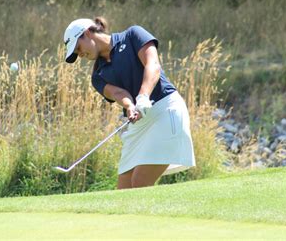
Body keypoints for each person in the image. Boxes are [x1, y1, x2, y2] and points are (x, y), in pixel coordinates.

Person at [63, 17, 195, 189]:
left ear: (87, 33)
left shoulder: (133, 35)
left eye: (78, 48)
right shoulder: (97, 76)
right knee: (123, 191)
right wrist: (130, 106)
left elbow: (153, 65)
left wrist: (143, 96)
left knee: (139, 183)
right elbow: (118, 93)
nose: (80, 55)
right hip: (139, 121)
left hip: (165, 109)